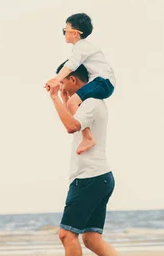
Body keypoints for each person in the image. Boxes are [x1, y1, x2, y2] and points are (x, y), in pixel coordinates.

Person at [47, 63, 141, 256]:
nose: (62, 88)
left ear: (75, 81)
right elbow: (73, 120)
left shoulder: (90, 104)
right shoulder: (87, 104)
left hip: (89, 177)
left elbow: (70, 126)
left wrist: (54, 97)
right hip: (98, 177)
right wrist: (63, 97)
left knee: (66, 234)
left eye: (64, 82)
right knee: (90, 238)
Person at [45, 13, 116, 155]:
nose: (64, 33)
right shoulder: (83, 47)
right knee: (71, 103)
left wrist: (57, 79)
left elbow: (71, 65)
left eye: (65, 30)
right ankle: (87, 136)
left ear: (75, 34)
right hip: (102, 82)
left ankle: (88, 137)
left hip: (103, 82)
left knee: (72, 103)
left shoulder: (82, 47)